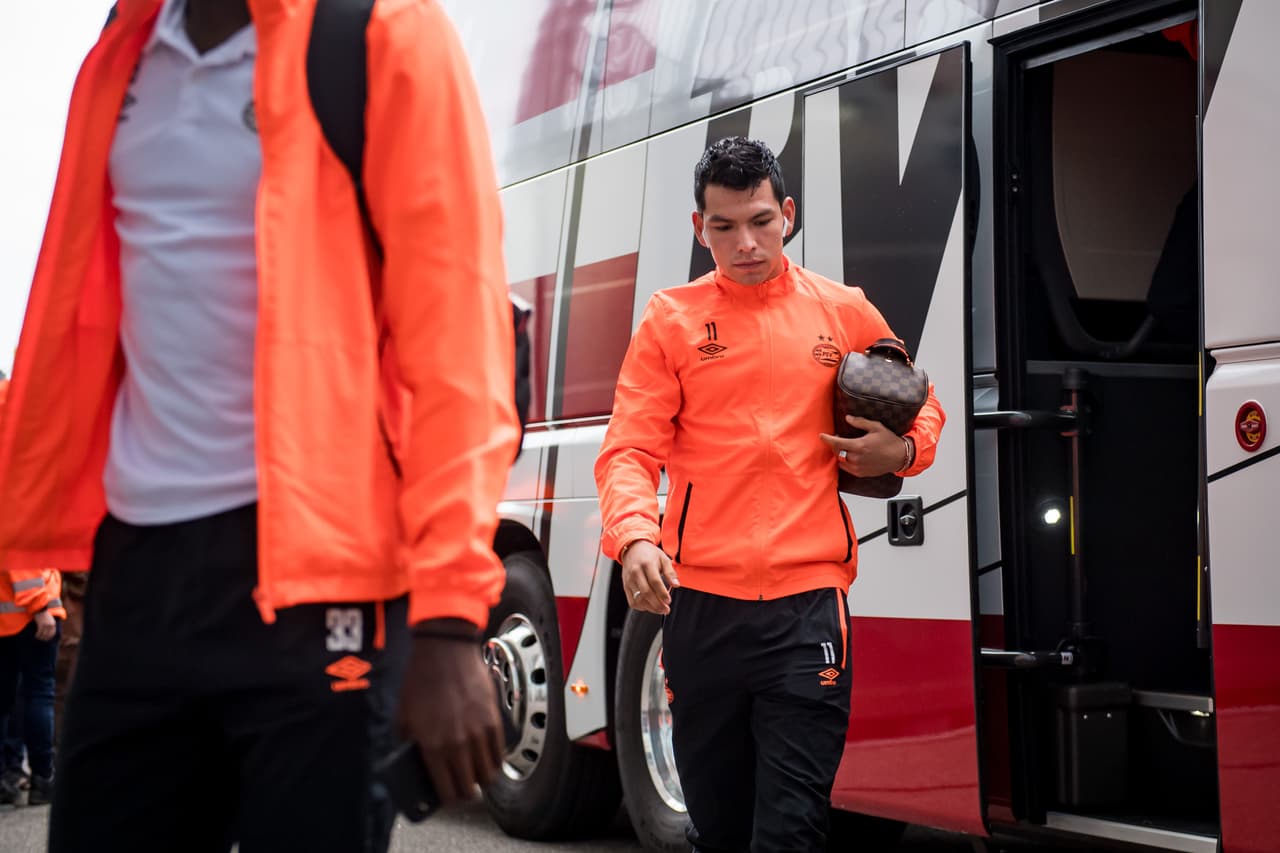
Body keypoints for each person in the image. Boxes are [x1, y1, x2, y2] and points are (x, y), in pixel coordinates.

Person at [0, 0, 518, 850]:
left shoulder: (380, 33)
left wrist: (452, 620)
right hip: (141, 567)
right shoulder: (125, 44)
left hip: (323, 581)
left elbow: (460, 348)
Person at [595, 137, 946, 852]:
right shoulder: (672, 319)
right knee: (720, 830)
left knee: (790, 831)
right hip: (700, 612)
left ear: (787, 214)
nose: (744, 243)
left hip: (807, 608)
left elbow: (923, 401)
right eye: (723, 227)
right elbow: (630, 449)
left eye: (759, 220)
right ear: (700, 229)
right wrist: (633, 536)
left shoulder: (842, 310)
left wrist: (903, 450)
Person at [0, 568, 64, 807]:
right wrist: (39, 607)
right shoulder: (19, 528)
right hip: (30, 615)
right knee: (39, 694)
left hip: (6, 617)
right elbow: (23, 562)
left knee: (5, 699)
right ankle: (43, 778)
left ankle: (6, 777)